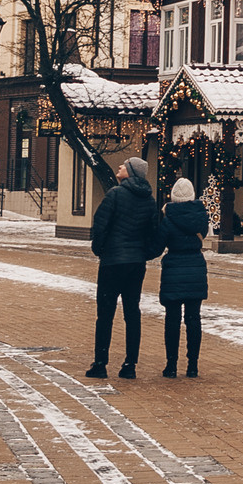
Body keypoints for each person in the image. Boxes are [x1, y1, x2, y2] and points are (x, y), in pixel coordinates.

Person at [87, 159, 163, 380]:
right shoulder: (149, 200)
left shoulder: (114, 194)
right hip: (135, 265)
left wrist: (100, 249)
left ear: (130, 172)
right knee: (132, 313)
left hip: (112, 263)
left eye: (124, 165)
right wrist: (143, 254)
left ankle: (100, 364)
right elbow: (154, 235)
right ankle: (130, 365)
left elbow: (100, 225)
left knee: (105, 315)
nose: (119, 167)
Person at [157, 176, 209, 379]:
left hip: (174, 271)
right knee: (194, 319)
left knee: (172, 319)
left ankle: (171, 365)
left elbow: (158, 245)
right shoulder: (201, 218)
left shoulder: (168, 219)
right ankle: (193, 366)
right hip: (196, 268)